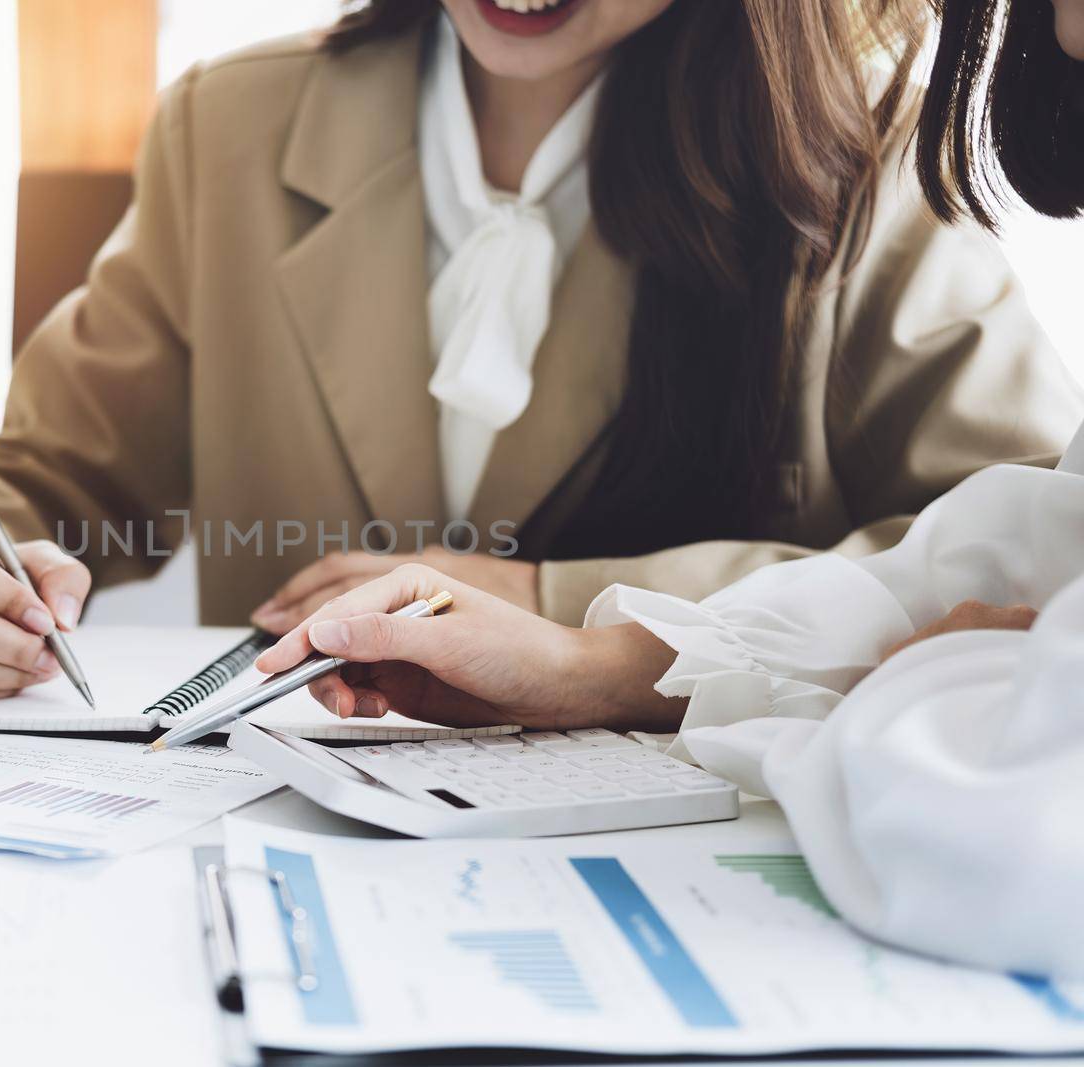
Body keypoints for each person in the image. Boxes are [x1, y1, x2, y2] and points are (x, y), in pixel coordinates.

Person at [0, 0, 1080, 704]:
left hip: (694, 877)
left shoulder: (870, 148)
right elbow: (30, 477)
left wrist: (551, 604)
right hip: (271, 841)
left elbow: (1014, 561)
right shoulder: (230, 129)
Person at [257, 0, 1084, 979]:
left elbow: (997, 795)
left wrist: (918, 686)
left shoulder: (873, 161)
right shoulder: (242, 116)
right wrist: (593, 659)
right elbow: (1021, 538)